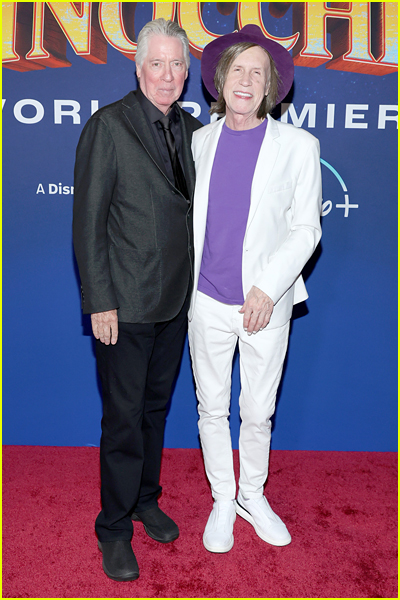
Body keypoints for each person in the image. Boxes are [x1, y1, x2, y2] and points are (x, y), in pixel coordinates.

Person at [73, 18, 202, 581]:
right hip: (123, 305)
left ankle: (147, 499)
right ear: (138, 66)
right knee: (123, 421)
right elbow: (88, 223)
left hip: (176, 302)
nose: (168, 75)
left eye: (178, 65)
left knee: (155, 412)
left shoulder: (195, 128)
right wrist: (99, 301)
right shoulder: (109, 126)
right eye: (158, 63)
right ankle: (115, 527)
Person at [188, 25, 322, 553]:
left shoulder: (299, 146)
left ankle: (252, 495)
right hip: (205, 301)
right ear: (221, 81)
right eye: (237, 70)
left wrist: (268, 287)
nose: (246, 80)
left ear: (272, 88)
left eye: (257, 73)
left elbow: (306, 227)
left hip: (265, 303)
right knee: (211, 408)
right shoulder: (198, 141)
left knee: (259, 411)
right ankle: (223, 498)